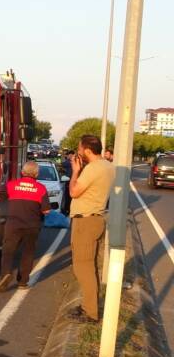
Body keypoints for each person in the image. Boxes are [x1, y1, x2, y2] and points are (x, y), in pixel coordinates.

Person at [68, 134, 116, 322]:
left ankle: (91, 312)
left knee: (82, 268)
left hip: (85, 222)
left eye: (80, 149)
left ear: (87, 150)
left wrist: (75, 171)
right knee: (89, 267)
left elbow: (73, 192)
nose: (78, 152)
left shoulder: (92, 169)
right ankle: (89, 305)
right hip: (95, 219)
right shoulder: (108, 166)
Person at [0, 161, 51, 292]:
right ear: (37, 174)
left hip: (13, 224)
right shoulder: (41, 188)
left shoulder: (11, 185)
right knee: (28, 253)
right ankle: (22, 282)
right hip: (32, 226)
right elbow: (46, 211)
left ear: (22, 172)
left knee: (8, 251)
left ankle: (6, 274)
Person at [60, 150, 74, 216]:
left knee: (67, 197)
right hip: (70, 181)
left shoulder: (69, 162)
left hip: (69, 182)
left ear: (71, 155)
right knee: (68, 197)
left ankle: (67, 210)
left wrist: (63, 156)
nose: (68, 156)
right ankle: (68, 210)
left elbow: (63, 164)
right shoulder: (72, 162)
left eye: (68, 155)